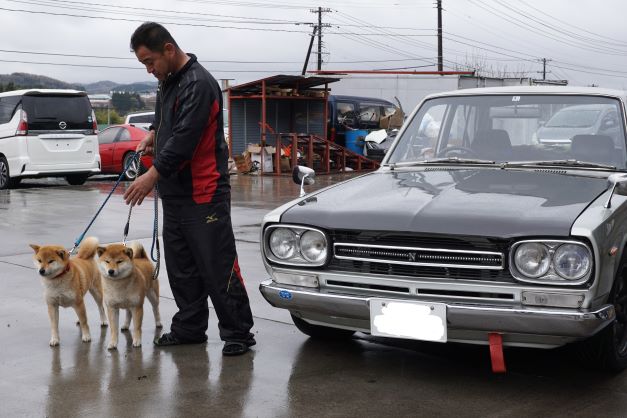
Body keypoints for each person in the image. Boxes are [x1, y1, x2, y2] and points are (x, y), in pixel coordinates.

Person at [124, 22, 255, 356]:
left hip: (205, 192)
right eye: (143, 65)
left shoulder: (199, 84)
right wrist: (153, 133)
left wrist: (151, 175)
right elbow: (166, 121)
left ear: (169, 49)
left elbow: (185, 140)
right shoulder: (167, 82)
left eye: (150, 61)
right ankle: (189, 328)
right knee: (181, 267)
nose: (149, 69)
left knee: (216, 263)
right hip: (176, 193)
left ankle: (238, 331)